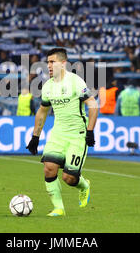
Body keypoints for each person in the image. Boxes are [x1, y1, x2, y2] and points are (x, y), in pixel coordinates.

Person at [26, 48, 99, 217]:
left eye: (52, 62)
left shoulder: (76, 82)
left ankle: (84, 185)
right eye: (48, 62)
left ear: (63, 63)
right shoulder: (48, 86)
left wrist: (90, 132)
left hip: (77, 135)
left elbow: (93, 105)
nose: (49, 66)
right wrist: (35, 137)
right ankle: (58, 208)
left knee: (69, 178)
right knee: (49, 168)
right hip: (58, 133)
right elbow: (42, 111)